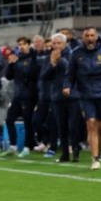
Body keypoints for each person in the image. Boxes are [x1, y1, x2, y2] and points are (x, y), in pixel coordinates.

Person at [63, 26, 101, 170]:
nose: (89, 38)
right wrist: (67, 86)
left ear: (96, 37)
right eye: (87, 35)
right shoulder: (76, 54)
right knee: (91, 123)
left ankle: (98, 153)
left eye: (92, 35)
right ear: (83, 38)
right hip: (85, 93)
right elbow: (70, 73)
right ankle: (95, 158)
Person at [43, 33, 81, 162]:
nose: (56, 46)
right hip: (57, 96)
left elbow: (69, 72)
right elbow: (44, 77)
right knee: (62, 127)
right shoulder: (50, 57)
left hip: (72, 95)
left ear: (65, 44)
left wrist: (58, 61)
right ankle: (65, 153)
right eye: (54, 43)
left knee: (73, 126)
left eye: (59, 43)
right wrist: (52, 65)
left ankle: (76, 151)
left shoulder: (72, 55)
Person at [3, 37, 39, 158]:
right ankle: (13, 146)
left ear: (29, 45)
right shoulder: (17, 59)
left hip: (29, 96)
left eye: (24, 44)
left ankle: (27, 147)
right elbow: (8, 77)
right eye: (19, 44)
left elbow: (32, 74)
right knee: (9, 120)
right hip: (17, 95)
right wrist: (10, 64)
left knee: (27, 122)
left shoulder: (33, 58)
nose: (21, 46)